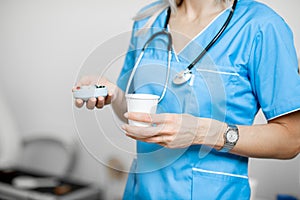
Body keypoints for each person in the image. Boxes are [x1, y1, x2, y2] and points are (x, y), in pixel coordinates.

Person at [74, 0, 300, 199]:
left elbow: (291, 139)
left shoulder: (261, 25)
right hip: (141, 191)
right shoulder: (149, 19)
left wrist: (202, 131)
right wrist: (114, 94)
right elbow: (135, 114)